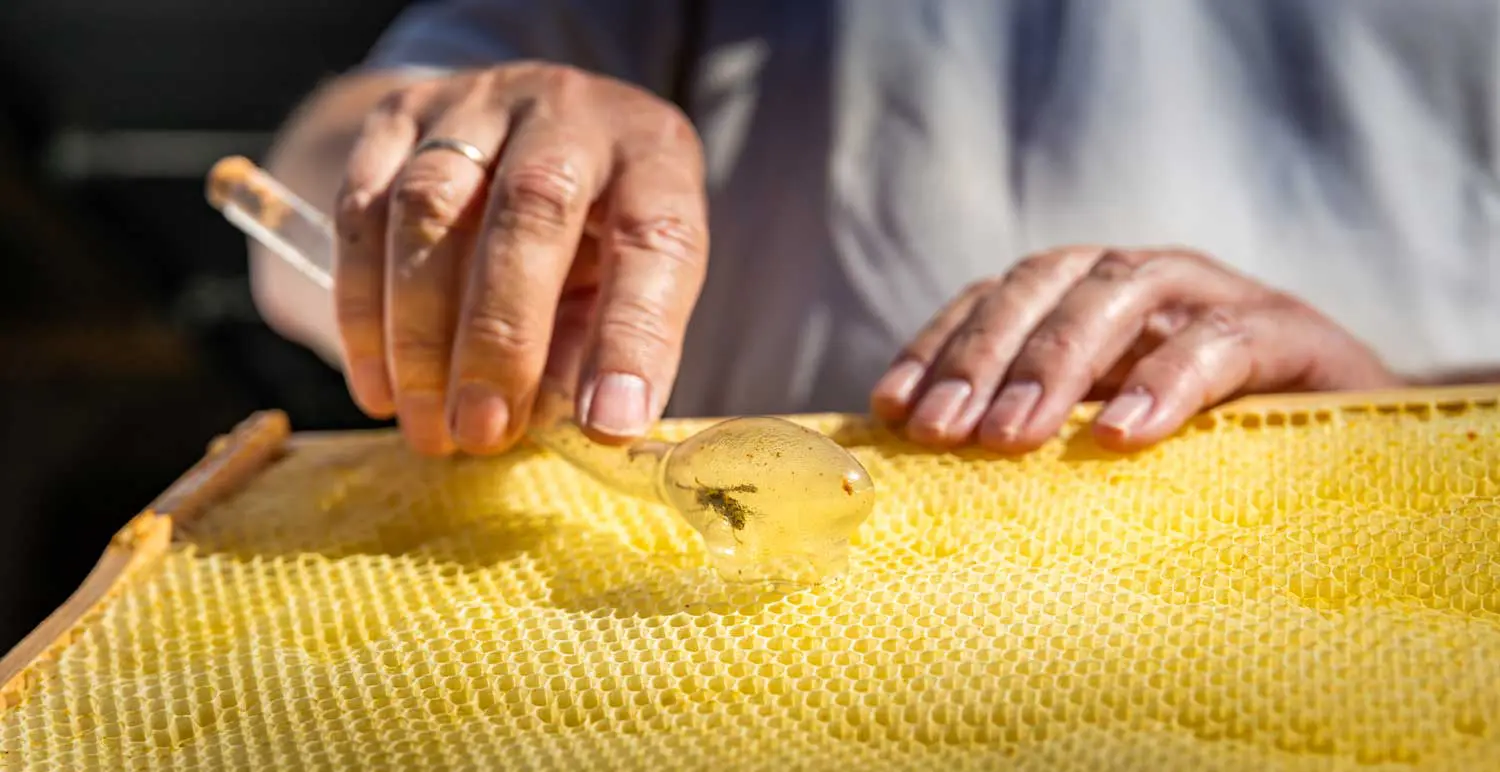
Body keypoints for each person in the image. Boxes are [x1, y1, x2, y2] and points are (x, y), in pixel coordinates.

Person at [250, 0, 1500, 460]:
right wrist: (455, 175)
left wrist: (1407, 437)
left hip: (1371, 662)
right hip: (707, 708)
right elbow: (296, 200)